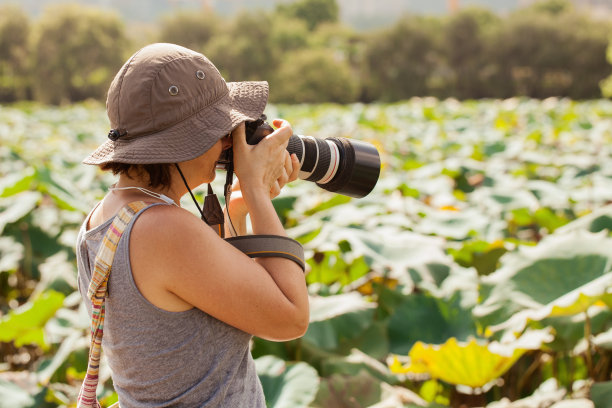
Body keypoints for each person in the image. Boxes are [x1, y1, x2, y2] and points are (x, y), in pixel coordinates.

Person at [75, 43, 309, 407]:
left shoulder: (106, 218)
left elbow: (214, 301)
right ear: (187, 140)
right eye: (221, 130)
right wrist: (257, 191)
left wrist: (239, 207)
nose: (228, 141)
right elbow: (290, 318)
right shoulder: (164, 229)